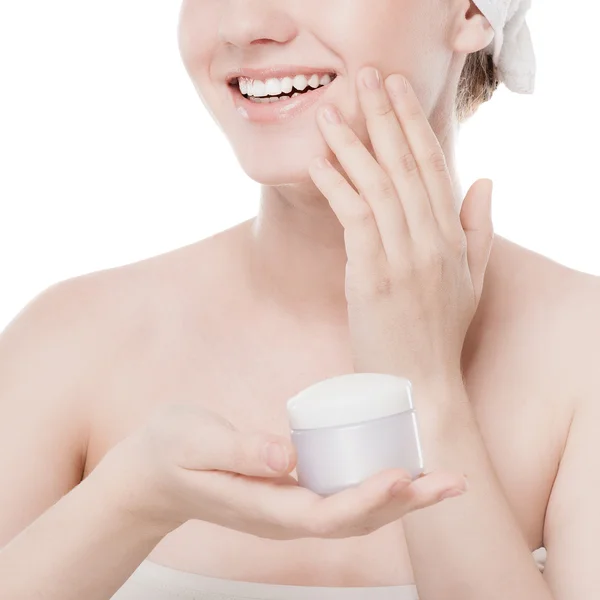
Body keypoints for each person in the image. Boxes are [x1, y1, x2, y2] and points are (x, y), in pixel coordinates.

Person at [0, 0, 598, 599]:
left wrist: (427, 387)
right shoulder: (64, 345)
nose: (241, 24)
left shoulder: (583, 358)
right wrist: (129, 501)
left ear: (471, 10)